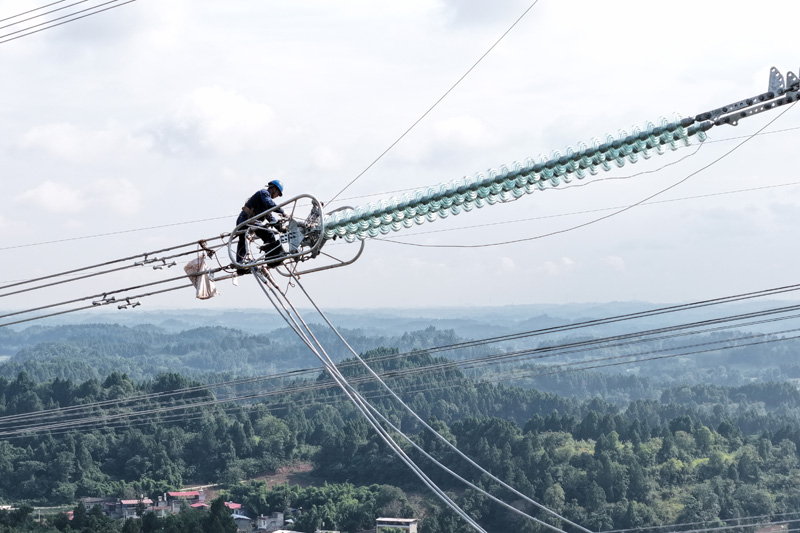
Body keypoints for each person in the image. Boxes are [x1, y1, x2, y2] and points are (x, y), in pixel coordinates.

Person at [235, 180, 285, 270]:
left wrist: (280, 227)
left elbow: (270, 217)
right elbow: (270, 204)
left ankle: (240, 265)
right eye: (278, 193)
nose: (277, 196)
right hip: (246, 220)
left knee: (244, 241)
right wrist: (282, 212)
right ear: (274, 189)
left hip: (248, 221)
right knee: (268, 234)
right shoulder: (264, 193)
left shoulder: (265, 202)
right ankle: (270, 258)